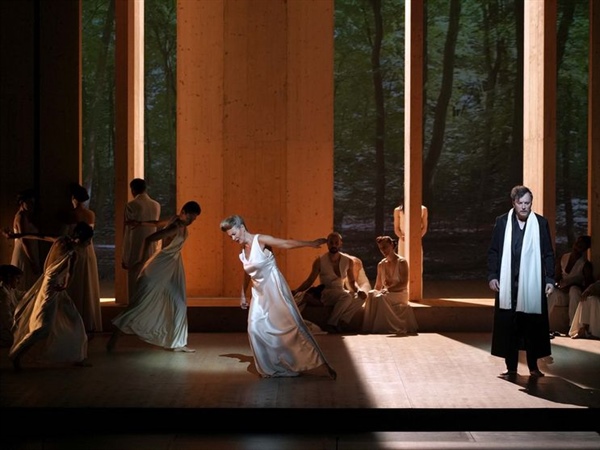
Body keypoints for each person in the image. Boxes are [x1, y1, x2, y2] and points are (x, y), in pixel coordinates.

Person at [220, 214, 336, 379]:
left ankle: (322, 365)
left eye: (233, 234)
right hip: (259, 295)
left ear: (242, 228)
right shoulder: (243, 249)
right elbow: (247, 272)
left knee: (291, 326)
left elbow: (285, 243)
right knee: (254, 329)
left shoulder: (260, 240)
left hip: (275, 290)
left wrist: (310, 243)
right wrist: (242, 293)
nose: (232, 238)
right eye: (230, 236)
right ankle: (271, 367)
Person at [106, 201, 201, 353]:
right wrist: (141, 260)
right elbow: (149, 239)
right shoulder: (174, 227)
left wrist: (140, 223)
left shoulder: (175, 219)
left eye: (194, 219)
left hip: (171, 269)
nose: (192, 221)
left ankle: (177, 343)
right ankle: (113, 340)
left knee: (179, 303)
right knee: (138, 305)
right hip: (158, 268)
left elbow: (156, 223)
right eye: (190, 217)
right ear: (183, 212)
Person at [487, 185, 555, 379]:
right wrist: (492, 276)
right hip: (508, 284)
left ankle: (533, 366)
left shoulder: (540, 223)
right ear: (513, 203)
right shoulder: (502, 222)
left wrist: (550, 278)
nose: (524, 207)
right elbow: (493, 251)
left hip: (532, 283)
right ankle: (511, 368)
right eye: (520, 203)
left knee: (532, 325)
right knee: (510, 326)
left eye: (527, 203)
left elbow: (548, 253)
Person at [6, 222, 94, 370]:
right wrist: (65, 285)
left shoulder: (61, 240)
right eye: (88, 240)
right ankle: (16, 354)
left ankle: (78, 356)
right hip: (52, 289)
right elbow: (70, 274)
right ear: (80, 239)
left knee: (74, 319)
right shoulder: (73, 254)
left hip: (51, 286)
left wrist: (17, 235)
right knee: (43, 327)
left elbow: (40, 236)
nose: (89, 244)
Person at [293, 232, 367, 333]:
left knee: (361, 298)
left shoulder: (348, 261)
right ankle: (331, 323)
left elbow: (352, 282)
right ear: (327, 244)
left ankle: (343, 320)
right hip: (327, 293)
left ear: (340, 243)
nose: (334, 245)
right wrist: (297, 290)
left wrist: (359, 290)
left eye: (336, 243)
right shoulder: (319, 261)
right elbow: (310, 281)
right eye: (331, 243)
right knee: (346, 297)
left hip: (341, 291)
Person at [62, 182, 102, 335]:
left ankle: (73, 320)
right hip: (89, 250)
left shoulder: (71, 215)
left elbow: (66, 235)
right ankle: (87, 320)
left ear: (73, 198)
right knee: (87, 283)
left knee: (76, 283)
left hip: (76, 250)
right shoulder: (91, 214)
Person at [362, 235, 418, 334]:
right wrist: (374, 294)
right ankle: (369, 327)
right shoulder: (381, 264)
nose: (383, 250)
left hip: (399, 294)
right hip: (387, 293)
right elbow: (378, 286)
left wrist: (387, 290)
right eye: (380, 248)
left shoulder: (401, 262)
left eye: (385, 247)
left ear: (392, 245)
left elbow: (403, 284)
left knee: (381, 297)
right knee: (371, 294)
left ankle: (383, 328)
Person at [121, 178, 161, 303]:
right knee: (149, 277)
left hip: (135, 246)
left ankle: (135, 307)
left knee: (134, 279)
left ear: (133, 190)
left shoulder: (131, 205)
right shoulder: (156, 205)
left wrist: (124, 255)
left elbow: (128, 231)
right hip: (152, 246)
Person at [546, 235, 593, 337]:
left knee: (574, 290)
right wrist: (557, 285)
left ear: (585, 249)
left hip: (575, 296)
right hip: (563, 294)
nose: (578, 246)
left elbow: (588, 286)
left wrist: (573, 285)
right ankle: (543, 325)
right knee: (551, 292)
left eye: (582, 245)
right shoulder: (563, 258)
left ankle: (573, 328)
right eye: (578, 243)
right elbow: (556, 277)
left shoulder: (585, 264)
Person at [10, 189, 41, 291]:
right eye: (29, 202)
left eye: (33, 203)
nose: (32, 205)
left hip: (28, 251)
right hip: (25, 252)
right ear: (21, 202)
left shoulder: (25, 217)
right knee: (25, 284)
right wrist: (33, 261)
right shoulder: (21, 217)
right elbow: (24, 240)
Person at [0, 264, 24, 348]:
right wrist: (18, 330)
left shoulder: (10, 289)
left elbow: (23, 294)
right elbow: (6, 319)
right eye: (17, 278)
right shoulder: (3, 294)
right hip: (4, 330)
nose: (19, 282)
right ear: (9, 278)